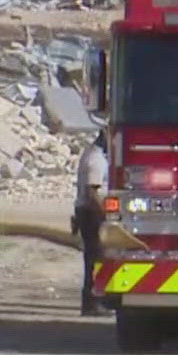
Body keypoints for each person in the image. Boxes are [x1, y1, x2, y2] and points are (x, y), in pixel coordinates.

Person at [73, 130, 109, 317]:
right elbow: (92, 193)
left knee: (95, 258)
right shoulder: (96, 160)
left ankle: (94, 300)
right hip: (92, 214)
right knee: (96, 259)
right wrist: (107, 216)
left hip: (89, 213)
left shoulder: (95, 155)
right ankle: (92, 302)